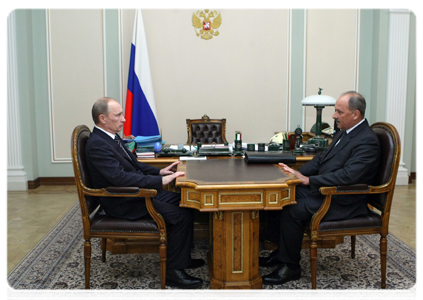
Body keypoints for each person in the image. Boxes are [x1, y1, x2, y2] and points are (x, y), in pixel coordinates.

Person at [260, 91, 381, 285]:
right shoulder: (344, 132)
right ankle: (281, 254)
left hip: (344, 199)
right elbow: (320, 160)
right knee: (280, 197)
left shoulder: (367, 140)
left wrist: (309, 181)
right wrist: (294, 175)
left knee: (293, 209)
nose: (334, 116)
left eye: (339, 112)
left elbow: (349, 176)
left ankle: (291, 267)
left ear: (355, 114)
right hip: (325, 190)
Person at [85, 97, 203, 289]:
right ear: (102, 118)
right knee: (180, 216)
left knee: (185, 202)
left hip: (135, 194)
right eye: (118, 115)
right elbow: (120, 179)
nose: (123, 119)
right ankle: (173, 273)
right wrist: (159, 181)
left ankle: (182, 259)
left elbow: (134, 165)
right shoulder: (98, 144)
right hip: (122, 201)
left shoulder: (110, 138)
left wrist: (160, 171)